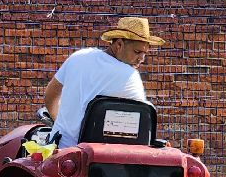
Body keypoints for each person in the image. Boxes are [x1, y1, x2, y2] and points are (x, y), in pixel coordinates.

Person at [43, 16, 165, 147]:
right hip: (98, 157)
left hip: (60, 149)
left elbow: (50, 95)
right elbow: (139, 129)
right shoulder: (129, 76)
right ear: (119, 44)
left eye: (144, 53)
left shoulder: (78, 57)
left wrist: (60, 125)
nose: (141, 58)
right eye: (137, 52)